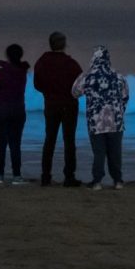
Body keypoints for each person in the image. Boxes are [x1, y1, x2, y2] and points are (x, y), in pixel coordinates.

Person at [72, 46, 130, 191]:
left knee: (99, 153)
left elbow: (74, 92)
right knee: (115, 153)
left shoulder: (87, 76)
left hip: (96, 121)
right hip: (116, 121)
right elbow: (125, 96)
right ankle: (118, 181)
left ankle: (97, 182)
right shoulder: (118, 76)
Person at [33, 31, 83, 187]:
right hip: (69, 106)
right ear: (64, 44)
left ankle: (46, 177)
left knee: (50, 140)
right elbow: (80, 87)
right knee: (69, 142)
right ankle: (69, 177)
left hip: (51, 105)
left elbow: (37, 85)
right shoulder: (72, 64)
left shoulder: (42, 62)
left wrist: (49, 93)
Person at [0, 43, 30, 184]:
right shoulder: (23, 72)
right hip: (18, 111)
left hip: (0, 111)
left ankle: (0, 176)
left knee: (0, 144)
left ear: (8, 56)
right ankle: (17, 176)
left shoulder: (1, 73)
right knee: (15, 144)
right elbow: (14, 71)